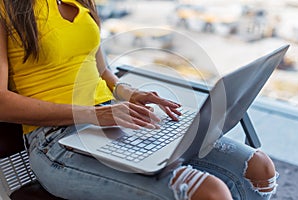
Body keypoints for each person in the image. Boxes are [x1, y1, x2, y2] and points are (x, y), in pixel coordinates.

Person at [0, 0, 278, 199]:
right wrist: (94, 114)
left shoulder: (82, 2)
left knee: (259, 166)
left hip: (116, 119)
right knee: (208, 192)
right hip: (56, 143)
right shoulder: (6, 8)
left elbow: (102, 71)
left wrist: (129, 93)